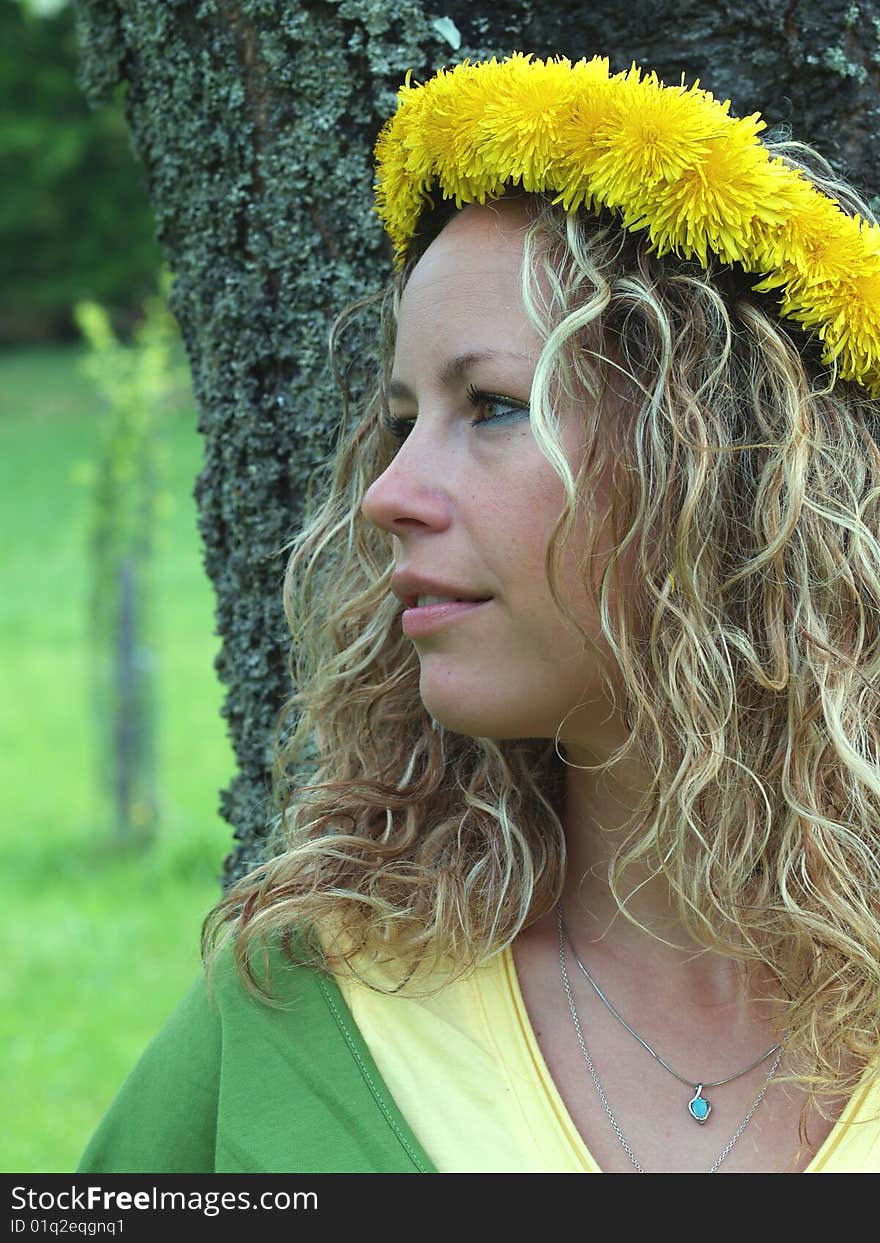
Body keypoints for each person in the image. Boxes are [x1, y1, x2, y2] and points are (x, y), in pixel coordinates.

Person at [79, 52, 880, 1175]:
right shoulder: (315, 1002)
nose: (387, 493)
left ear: (733, 474)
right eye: (402, 417)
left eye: (492, 406)